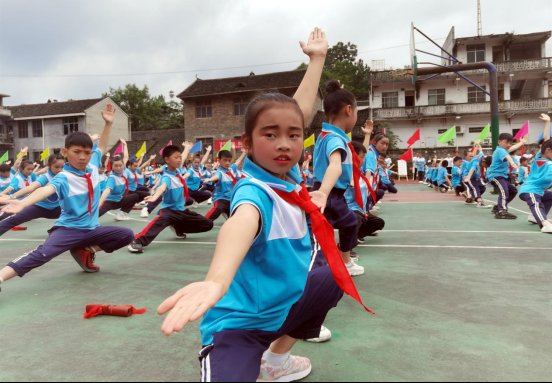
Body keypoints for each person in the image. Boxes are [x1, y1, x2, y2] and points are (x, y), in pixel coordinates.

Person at [157, 28, 371, 382]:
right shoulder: (255, 190)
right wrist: (216, 280)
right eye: (269, 135)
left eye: (293, 135)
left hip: (282, 310)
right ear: (248, 143)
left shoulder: (290, 180)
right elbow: (240, 224)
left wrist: (316, 60)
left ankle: (275, 360)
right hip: (239, 326)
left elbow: (295, 113)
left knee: (334, 275)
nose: (283, 143)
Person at [0, 104, 135, 293]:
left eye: (86, 153)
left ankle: (85, 250)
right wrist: (22, 203)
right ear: (65, 152)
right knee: (42, 254)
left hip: (92, 229)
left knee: (126, 235)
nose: (82, 157)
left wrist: (108, 125)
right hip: (69, 229)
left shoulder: (93, 165)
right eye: (76, 152)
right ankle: (1, 276)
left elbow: (102, 146)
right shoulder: (64, 177)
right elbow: (46, 190)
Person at [0, 154, 65, 236]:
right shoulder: (45, 177)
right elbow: (30, 187)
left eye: (62, 167)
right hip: (39, 207)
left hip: (58, 209)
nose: (60, 170)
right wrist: (11, 196)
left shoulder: (65, 176)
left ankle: (57, 229)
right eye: (56, 167)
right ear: (49, 166)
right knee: (13, 218)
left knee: (79, 215)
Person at [519, 114, 552, 233]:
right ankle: (544, 223)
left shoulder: (547, 159)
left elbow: (547, 142)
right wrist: (547, 124)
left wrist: (548, 122)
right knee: (536, 204)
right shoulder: (540, 159)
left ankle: (535, 217)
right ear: (548, 150)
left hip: (539, 191)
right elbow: (546, 142)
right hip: (530, 190)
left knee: (550, 197)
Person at [486, 133, 525, 219]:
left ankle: (498, 207)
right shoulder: (500, 150)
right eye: (506, 142)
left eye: (510, 143)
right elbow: (508, 156)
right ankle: (502, 211)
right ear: (499, 142)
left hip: (503, 177)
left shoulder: (504, 150)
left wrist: (521, 143)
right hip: (495, 176)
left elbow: (512, 148)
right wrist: (512, 163)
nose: (509, 145)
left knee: (513, 191)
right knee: (504, 191)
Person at [98, 154, 141, 221]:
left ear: (123, 165)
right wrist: (100, 202)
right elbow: (107, 190)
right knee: (96, 215)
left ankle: (122, 214)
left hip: (119, 200)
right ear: (112, 167)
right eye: (115, 166)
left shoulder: (123, 171)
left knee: (135, 196)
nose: (118, 168)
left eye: (120, 165)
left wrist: (125, 144)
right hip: (110, 202)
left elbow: (126, 157)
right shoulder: (112, 178)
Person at [202, 150, 239, 221]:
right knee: (218, 208)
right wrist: (210, 180)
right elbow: (217, 177)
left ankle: (226, 212)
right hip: (220, 198)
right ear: (219, 161)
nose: (227, 163)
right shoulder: (219, 172)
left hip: (230, 199)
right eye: (225, 160)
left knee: (236, 218)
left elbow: (237, 161)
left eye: (229, 160)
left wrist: (243, 152)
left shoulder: (231, 170)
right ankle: (203, 221)